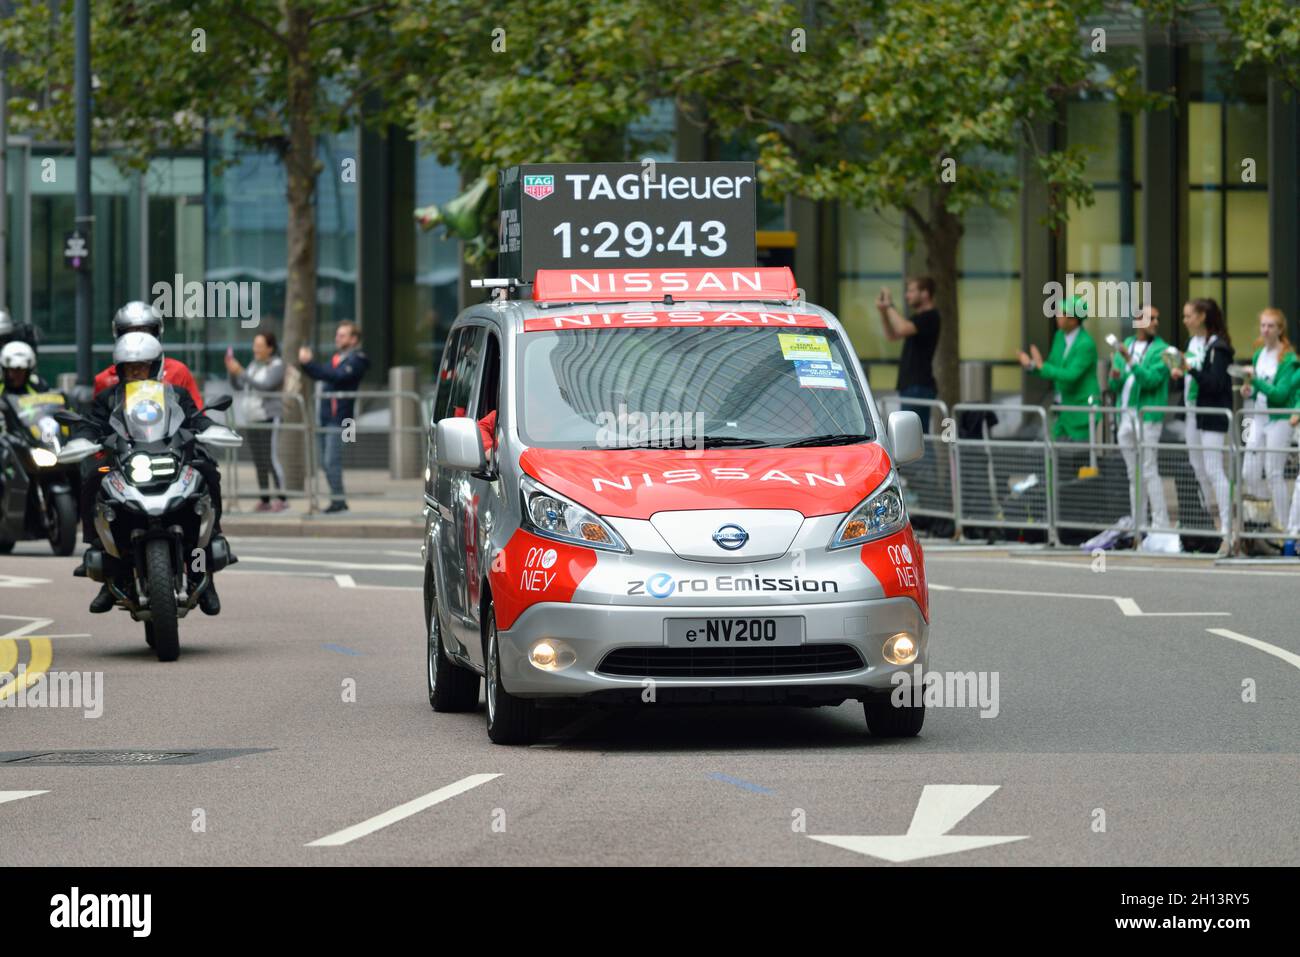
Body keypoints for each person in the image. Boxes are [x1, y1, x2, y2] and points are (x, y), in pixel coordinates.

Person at [76, 333, 226, 615]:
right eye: (129, 367)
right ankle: (105, 567)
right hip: (122, 464)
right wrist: (82, 438)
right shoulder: (109, 398)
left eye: (142, 366)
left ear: (155, 366)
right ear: (119, 370)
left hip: (172, 459)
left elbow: (195, 417)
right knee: (94, 475)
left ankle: (207, 568)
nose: (135, 371)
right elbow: (91, 424)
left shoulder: (175, 394)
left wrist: (209, 428)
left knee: (207, 469)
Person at [1170, 298, 1234, 553]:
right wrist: (1179, 372)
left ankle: (1228, 528)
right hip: (1192, 413)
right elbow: (1191, 379)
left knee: (1213, 468)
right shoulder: (1193, 343)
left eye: (1189, 316)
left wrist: (1190, 369)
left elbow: (1215, 383)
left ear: (1202, 317)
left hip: (1211, 415)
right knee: (1199, 469)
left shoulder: (1219, 347)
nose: (1185, 321)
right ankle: (1213, 524)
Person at [1108, 306, 1172, 533]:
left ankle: (1160, 524)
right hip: (1125, 414)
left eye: (1156, 318)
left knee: (1148, 469)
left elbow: (1151, 380)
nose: (1155, 322)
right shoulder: (1127, 344)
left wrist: (1130, 361)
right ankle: (1139, 523)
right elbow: (1116, 384)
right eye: (1149, 318)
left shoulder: (1164, 350)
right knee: (1132, 472)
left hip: (1147, 416)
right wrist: (1114, 376)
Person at [299, 320, 369, 513]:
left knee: (332, 461)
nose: (337, 338)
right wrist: (307, 365)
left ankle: (339, 501)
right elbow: (324, 373)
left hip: (342, 420)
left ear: (354, 339)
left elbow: (337, 376)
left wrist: (310, 364)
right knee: (324, 462)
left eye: (343, 335)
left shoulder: (358, 359)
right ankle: (338, 499)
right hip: (325, 417)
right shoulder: (337, 359)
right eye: (337, 334)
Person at [1240, 308, 1297, 531]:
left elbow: (1280, 395)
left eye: (1270, 326)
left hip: (1279, 418)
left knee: (1274, 472)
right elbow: (1257, 389)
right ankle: (1266, 516)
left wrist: (1255, 382)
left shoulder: (1288, 358)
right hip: (1258, 416)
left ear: (1280, 329)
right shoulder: (1259, 353)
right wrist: (1249, 390)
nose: (1265, 330)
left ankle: (1284, 526)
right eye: (1263, 325)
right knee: (1249, 471)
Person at [1019, 294, 1100, 441]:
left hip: (1081, 410)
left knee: (1079, 457)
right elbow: (1051, 367)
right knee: (1053, 453)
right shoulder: (1059, 336)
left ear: (1073, 320)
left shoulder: (1086, 344)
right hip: (1061, 408)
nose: (1057, 316)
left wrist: (1042, 366)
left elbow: (1070, 375)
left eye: (1061, 313)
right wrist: (1032, 365)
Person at [94, 301, 203, 409]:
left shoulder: (177, 371)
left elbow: (195, 415)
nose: (139, 338)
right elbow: (96, 418)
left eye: (145, 331)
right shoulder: (103, 380)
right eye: (129, 332)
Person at [226, 332, 288, 511]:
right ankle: (265, 499)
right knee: (259, 459)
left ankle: (282, 497)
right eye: (255, 345)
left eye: (260, 346)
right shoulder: (254, 365)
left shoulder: (277, 365)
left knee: (270, 458)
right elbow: (239, 385)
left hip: (269, 417)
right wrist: (233, 373)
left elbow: (265, 385)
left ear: (270, 348)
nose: (256, 349)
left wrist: (241, 372)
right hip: (252, 418)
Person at [876, 276, 940, 431]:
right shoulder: (917, 318)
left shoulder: (931, 316)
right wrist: (884, 312)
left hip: (919, 386)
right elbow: (892, 335)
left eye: (911, 291)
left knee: (913, 435)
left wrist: (890, 305)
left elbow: (903, 328)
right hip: (912, 386)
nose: (907, 295)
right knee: (913, 436)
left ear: (925, 293)